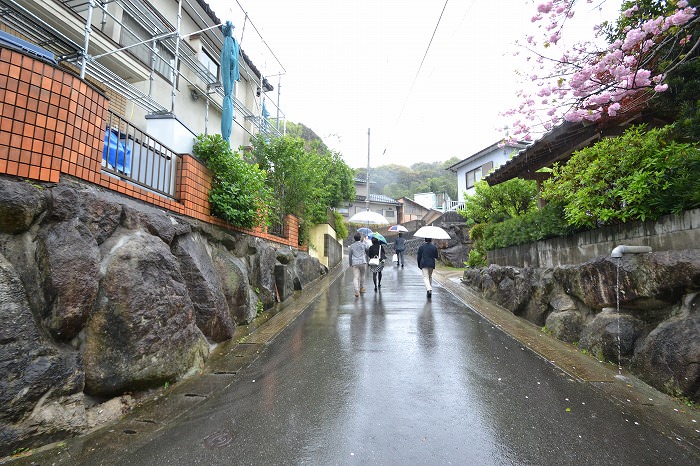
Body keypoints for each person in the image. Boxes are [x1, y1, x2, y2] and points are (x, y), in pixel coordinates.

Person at [348, 232, 368, 297]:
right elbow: (367, 250)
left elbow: (350, 256)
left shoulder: (351, 246)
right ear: (360, 238)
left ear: (354, 238)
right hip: (363, 262)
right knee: (362, 275)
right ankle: (361, 288)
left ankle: (356, 291)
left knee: (356, 277)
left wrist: (350, 263)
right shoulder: (363, 244)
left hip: (355, 263)